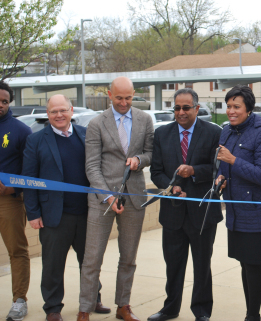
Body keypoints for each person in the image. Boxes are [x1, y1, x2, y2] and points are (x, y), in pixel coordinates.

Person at [22, 95, 110, 321]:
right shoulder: (36, 140)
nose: (59, 115)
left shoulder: (86, 135)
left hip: (87, 213)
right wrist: (33, 214)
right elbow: (29, 180)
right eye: (53, 112)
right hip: (54, 216)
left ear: (71, 110)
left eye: (63, 110)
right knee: (52, 265)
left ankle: (93, 298)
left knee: (90, 260)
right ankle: (52, 308)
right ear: (47, 114)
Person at [77, 77, 154, 321]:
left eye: (128, 97)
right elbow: (91, 167)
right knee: (92, 258)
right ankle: (85, 308)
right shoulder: (96, 123)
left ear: (134, 95)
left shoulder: (145, 119)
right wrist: (107, 196)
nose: (124, 103)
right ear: (110, 95)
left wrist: (139, 160)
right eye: (119, 98)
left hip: (134, 197)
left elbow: (151, 153)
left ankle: (123, 305)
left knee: (128, 257)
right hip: (102, 199)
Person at [148, 88, 222, 321]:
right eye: (177, 108)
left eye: (186, 108)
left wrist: (194, 172)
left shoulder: (213, 133)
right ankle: (170, 308)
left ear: (197, 109)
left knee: (202, 265)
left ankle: (201, 311)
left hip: (202, 212)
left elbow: (218, 169)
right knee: (173, 265)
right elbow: (156, 171)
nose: (181, 112)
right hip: (173, 212)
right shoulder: (162, 134)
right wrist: (171, 188)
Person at [214, 85, 261, 321]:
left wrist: (233, 161)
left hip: (258, 213)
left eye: (236, 107)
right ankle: (251, 314)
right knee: (244, 264)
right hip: (236, 212)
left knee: (253, 265)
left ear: (249, 108)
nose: (231, 111)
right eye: (228, 106)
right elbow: (223, 166)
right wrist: (220, 178)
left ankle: (253, 316)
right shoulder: (226, 131)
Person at [0, 80, 31, 321]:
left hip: (8, 202)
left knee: (17, 251)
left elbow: (30, 170)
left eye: (4, 101)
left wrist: (12, 188)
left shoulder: (21, 131)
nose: (0, 105)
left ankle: (19, 300)